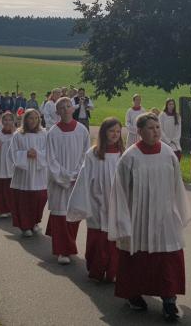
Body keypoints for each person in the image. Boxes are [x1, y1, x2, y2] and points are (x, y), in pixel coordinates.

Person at [108, 113, 191, 321]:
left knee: (167, 258)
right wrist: (122, 220)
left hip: (164, 215)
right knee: (137, 257)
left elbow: (177, 184)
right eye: (151, 128)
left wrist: (179, 212)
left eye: (157, 127)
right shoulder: (129, 157)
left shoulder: (168, 153)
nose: (156, 131)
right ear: (139, 132)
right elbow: (119, 192)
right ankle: (134, 294)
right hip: (138, 218)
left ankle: (169, 301)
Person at [67, 117, 124, 282]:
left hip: (116, 202)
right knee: (97, 237)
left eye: (118, 131)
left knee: (114, 238)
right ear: (104, 132)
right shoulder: (93, 154)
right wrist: (82, 203)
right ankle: (96, 270)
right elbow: (84, 179)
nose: (114, 134)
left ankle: (112, 271)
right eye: (111, 131)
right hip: (97, 201)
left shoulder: (124, 154)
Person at [46, 97, 91, 264]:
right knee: (59, 215)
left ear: (73, 109)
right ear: (57, 112)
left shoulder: (82, 130)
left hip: (77, 179)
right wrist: (64, 176)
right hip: (59, 181)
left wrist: (77, 173)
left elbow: (86, 154)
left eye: (68, 106)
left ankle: (69, 245)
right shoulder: (53, 132)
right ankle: (61, 251)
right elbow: (51, 158)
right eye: (61, 107)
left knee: (73, 213)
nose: (65, 109)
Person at [10, 108, 49, 237]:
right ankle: (25, 226)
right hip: (23, 174)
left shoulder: (44, 134)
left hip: (39, 173)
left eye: (36, 118)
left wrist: (37, 154)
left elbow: (50, 152)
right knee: (24, 200)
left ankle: (34, 222)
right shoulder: (18, 135)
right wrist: (25, 154)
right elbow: (12, 153)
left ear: (39, 119)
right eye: (30, 118)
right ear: (25, 119)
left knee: (40, 198)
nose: (33, 121)